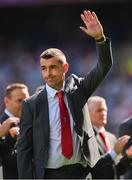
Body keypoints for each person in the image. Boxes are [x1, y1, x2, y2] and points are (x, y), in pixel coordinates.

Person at [17, 10, 113, 179]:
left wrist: (100, 39)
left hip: (82, 173)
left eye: (53, 67)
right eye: (44, 68)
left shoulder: (79, 89)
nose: (48, 73)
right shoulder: (31, 104)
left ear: (65, 68)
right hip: (50, 175)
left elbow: (103, 66)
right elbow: (24, 149)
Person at [88, 96, 132, 179]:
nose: (103, 113)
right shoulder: (86, 138)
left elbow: (118, 169)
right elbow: (92, 167)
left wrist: (129, 156)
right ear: (88, 115)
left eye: (105, 110)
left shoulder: (111, 137)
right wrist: (114, 153)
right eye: (99, 110)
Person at [0, 83, 29, 179]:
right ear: (6, 101)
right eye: (19, 100)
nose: (24, 104)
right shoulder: (1, 125)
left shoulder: (29, 122)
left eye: (26, 100)